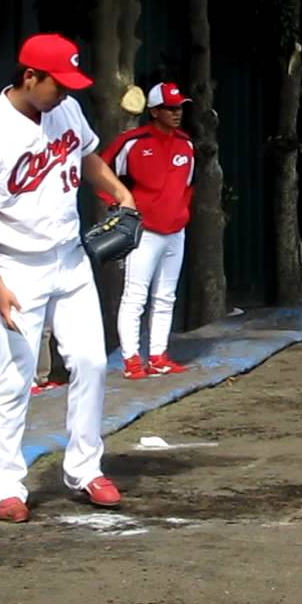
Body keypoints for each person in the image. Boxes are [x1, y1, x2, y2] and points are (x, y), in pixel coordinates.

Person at [0, 33, 136, 523]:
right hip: (16, 265)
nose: (66, 92)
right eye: (59, 82)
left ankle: (84, 468)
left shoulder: (66, 110)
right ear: (29, 76)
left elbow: (86, 156)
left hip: (70, 258)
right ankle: (5, 487)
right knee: (17, 377)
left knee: (92, 362)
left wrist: (120, 192)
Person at [98, 82, 196, 380]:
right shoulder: (133, 142)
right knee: (135, 296)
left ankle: (158, 356)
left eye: (180, 107)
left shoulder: (186, 144)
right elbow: (101, 171)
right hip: (145, 232)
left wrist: (181, 212)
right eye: (170, 108)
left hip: (176, 230)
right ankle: (131, 360)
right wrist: (118, 207)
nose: (177, 113)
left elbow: (188, 185)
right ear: (154, 111)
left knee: (166, 296)